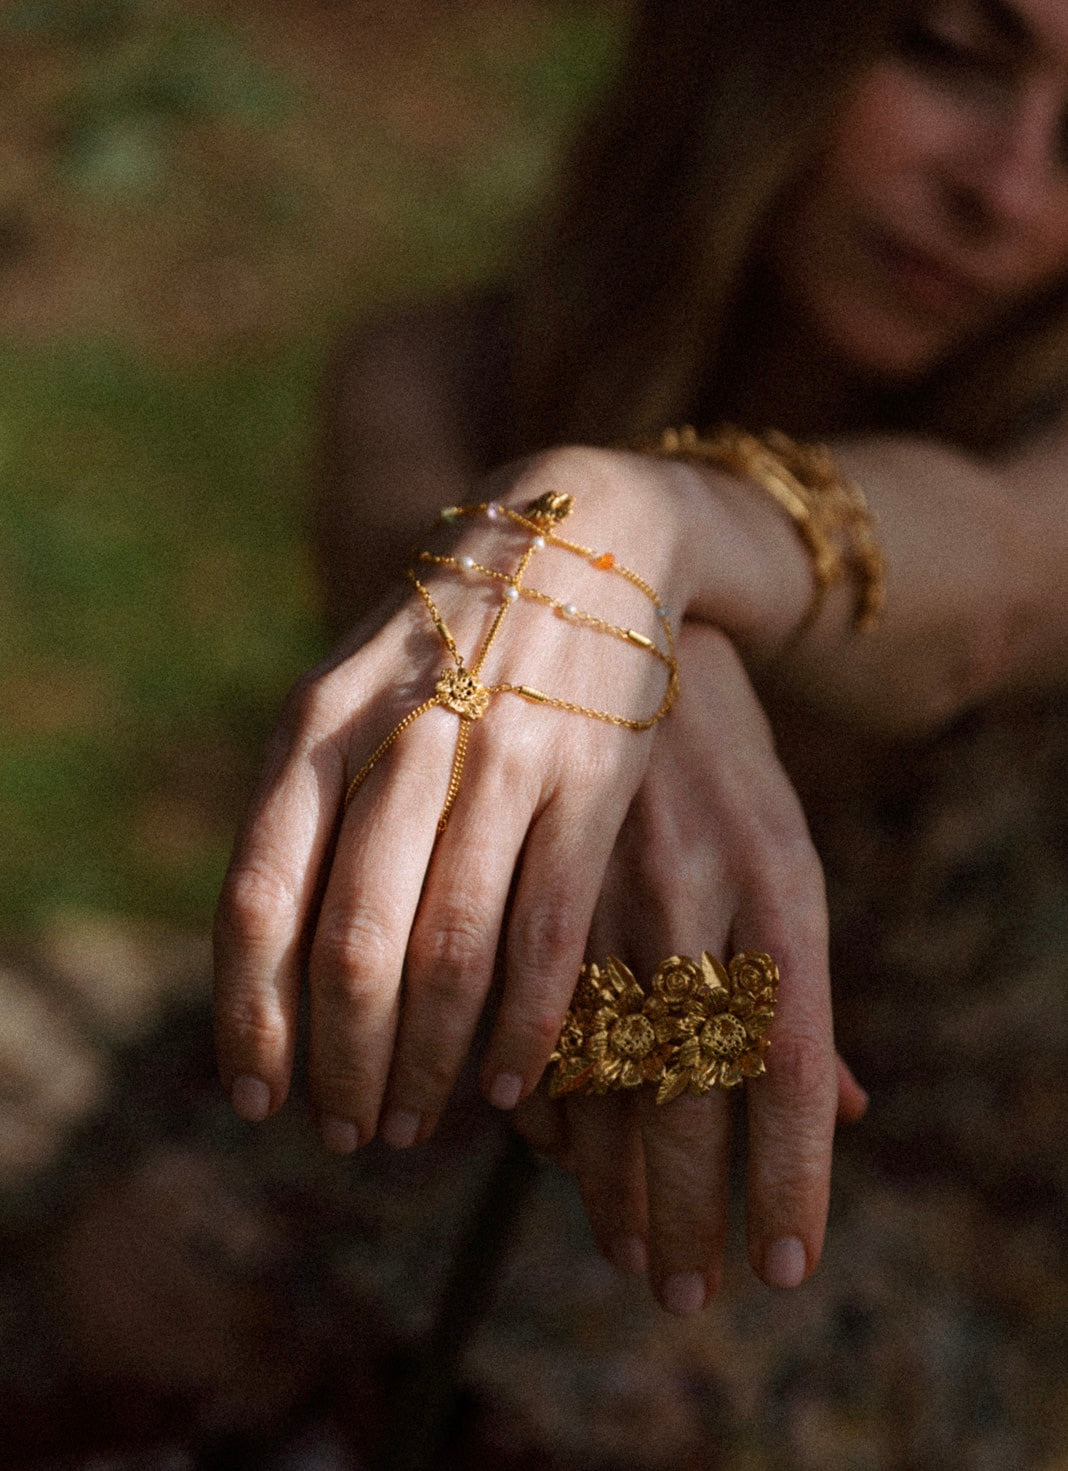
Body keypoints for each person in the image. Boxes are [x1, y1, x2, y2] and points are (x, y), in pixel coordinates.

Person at [213, 0, 1068, 1341]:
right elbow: (424, 578)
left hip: (922, 1253)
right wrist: (629, 626)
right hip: (441, 1120)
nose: (1006, 191)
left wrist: (642, 530)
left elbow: (1004, 574)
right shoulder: (443, 369)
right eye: (952, 56)